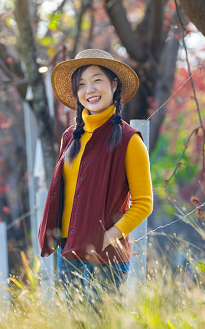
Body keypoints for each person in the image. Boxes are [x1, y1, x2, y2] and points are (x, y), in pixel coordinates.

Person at [38, 49, 153, 301]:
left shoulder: (129, 140)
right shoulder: (69, 137)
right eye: (81, 84)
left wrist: (108, 238)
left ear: (114, 84)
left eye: (96, 80)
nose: (89, 89)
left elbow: (144, 204)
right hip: (68, 252)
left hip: (107, 257)